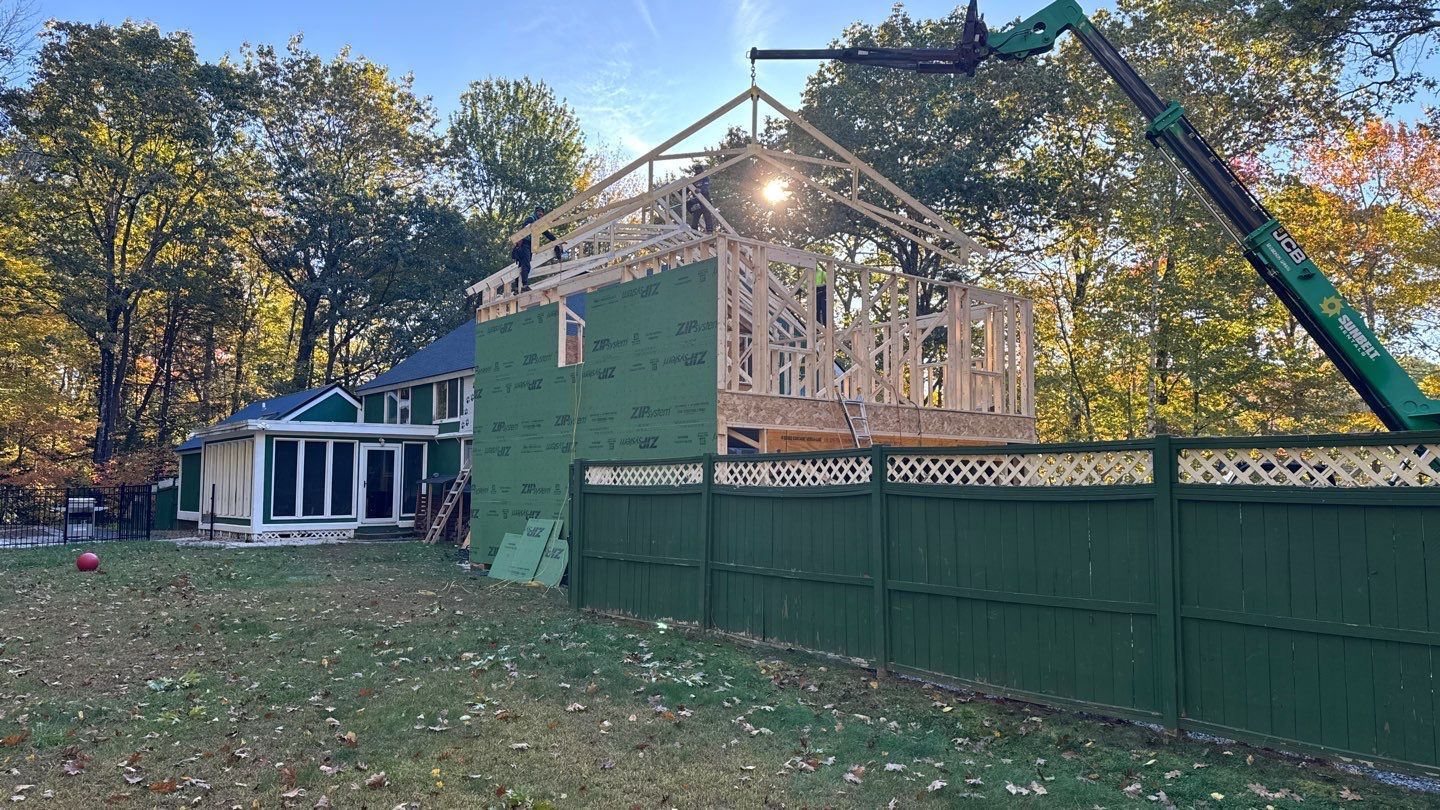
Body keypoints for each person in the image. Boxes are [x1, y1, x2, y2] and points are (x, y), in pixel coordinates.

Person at [510, 206, 561, 293]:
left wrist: (557, 240)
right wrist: (519, 241)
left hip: (529, 245)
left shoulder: (539, 223)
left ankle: (516, 287)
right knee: (526, 265)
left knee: (522, 266)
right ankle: (524, 285)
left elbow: (546, 233)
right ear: (536, 212)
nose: (541, 214)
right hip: (524, 244)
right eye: (539, 213)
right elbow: (523, 228)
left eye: (542, 213)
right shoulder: (531, 219)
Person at [686, 169, 715, 233]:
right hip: (697, 203)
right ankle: (694, 231)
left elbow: (705, 187)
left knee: (707, 216)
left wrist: (700, 190)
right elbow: (687, 189)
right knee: (695, 218)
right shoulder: (694, 180)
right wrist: (679, 193)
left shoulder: (705, 178)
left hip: (705, 201)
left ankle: (709, 231)